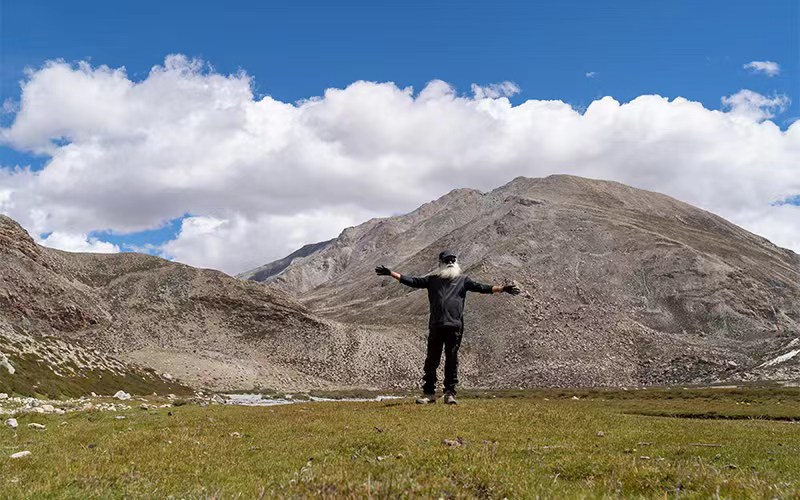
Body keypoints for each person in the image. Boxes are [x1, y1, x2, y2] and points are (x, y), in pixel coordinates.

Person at [375, 250, 520, 405]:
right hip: (436, 325)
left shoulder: (463, 280)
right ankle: (429, 393)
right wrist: (391, 273)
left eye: (453, 260)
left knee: (451, 360)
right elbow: (413, 281)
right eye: (447, 260)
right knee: (432, 360)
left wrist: (503, 288)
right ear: (440, 263)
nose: (450, 262)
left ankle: (449, 393)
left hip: (454, 326)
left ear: (456, 262)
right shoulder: (432, 280)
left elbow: (481, 287)